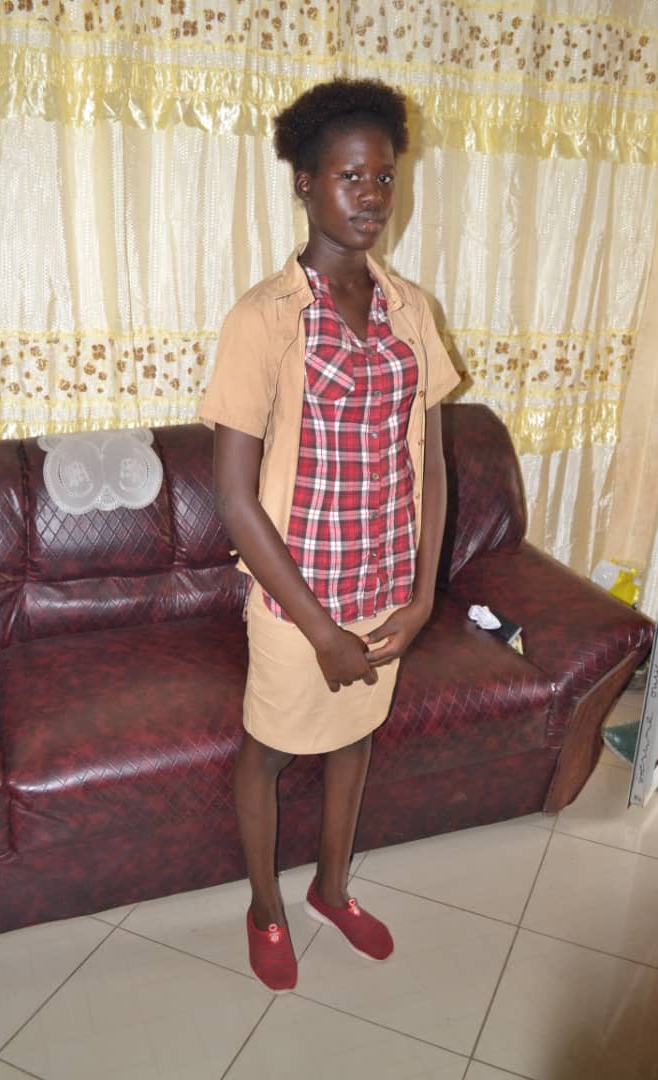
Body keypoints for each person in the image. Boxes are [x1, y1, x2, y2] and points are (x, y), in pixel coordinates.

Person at [200, 78, 460, 993]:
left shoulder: (410, 308)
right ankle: (265, 908)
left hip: (383, 590)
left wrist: (421, 598)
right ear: (304, 182)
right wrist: (318, 630)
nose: (371, 196)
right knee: (269, 752)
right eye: (350, 177)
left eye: (384, 177)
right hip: (295, 601)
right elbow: (233, 498)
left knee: (353, 742)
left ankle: (331, 891)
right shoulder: (262, 318)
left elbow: (432, 463)